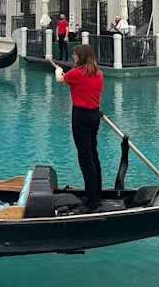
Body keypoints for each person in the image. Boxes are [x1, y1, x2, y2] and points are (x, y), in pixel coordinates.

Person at [54, 44, 104, 213]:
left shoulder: (76, 73)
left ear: (81, 57)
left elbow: (60, 80)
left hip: (81, 117)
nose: (74, 57)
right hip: (94, 116)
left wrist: (58, 71)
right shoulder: (99, 74)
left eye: (75, 56)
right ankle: (96, 195)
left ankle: (90, 202)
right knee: (94, 156)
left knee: (85, 159)